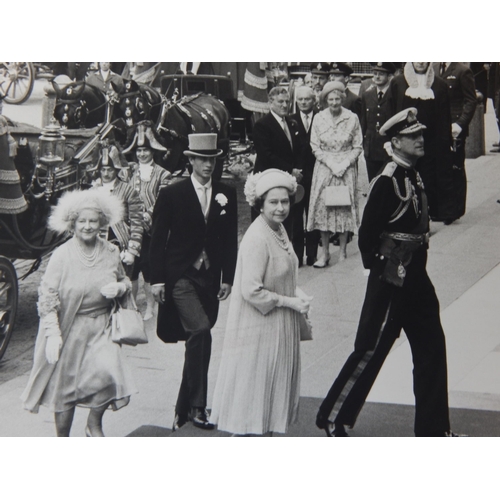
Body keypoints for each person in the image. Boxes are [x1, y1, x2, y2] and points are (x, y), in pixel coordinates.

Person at [316, 108, 464, 437]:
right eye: (414, 137)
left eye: (421, 135)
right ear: (396, 141)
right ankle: (333, 416)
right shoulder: (388, 180)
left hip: (417, 280)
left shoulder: (413, 174)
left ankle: (434, 430)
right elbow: (367, 237)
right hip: (392, 279)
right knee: (370, 348)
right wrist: (386, 269)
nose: (420, 140)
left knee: (432, 349)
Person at [21, 190, 136, 437]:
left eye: (93, 221)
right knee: (66, 390)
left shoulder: (111, 252)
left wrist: (120, 287)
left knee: (110, 371)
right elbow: (48, 295)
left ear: (102, 223)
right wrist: (52, 333)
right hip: (70, 328)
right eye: (82, 221)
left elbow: (125, 280)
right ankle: (63, 439)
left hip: (102, 327)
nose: (87, 226)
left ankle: (93, 424)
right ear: (72, 223)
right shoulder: (62, 255)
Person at [210, 169, 311, 436]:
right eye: (273, 202)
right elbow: (251, 291)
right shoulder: (257, 237)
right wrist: (289, 302)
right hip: (261, 327)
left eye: (285, 201)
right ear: (260, 204)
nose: (281, 208)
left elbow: (283, 272)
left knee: (270, 393)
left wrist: (296, 293)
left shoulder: (277, 229)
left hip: (279, 324)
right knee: (257, 393)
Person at [149, 133, 238, 431]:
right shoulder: (172, 194)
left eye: (212, 159)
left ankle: (181, 411)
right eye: (201, 159)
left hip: (210, 279)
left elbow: (228, 241)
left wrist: (228, 277)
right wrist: (156, 280)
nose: (207, 165)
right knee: (200, 331)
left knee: (197, 339)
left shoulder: (227, 193)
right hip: (181, 276)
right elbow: (157, 239)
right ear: (190, 160)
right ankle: (198, 408)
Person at [386, 62, 453, 223]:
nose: (421, 62)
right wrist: (390, 142)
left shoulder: (440, 85)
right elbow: (390, 112)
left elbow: (445, 118)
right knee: (403, 180)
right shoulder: (398, 83)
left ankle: (424, 217)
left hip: (430, 145)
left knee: (427, 182)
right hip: (404, 144)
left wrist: (444, 145)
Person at [307, 81, 363, 266]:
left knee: (343, 207)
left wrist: (345, 163)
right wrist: (330, 162)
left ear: (343, 99)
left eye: (337, 98)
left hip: (346, 168)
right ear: (325, 100)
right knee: (324, 208)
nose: (334, 103)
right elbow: (315, 146)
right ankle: (325, 253)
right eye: (330, 99)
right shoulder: (318, 118)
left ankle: (343, 252)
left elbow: (357, 146)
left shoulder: (352, 118)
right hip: (324, 167)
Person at [123, 122, 172, 320]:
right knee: (130, 269)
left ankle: (151, 307)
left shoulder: (163, 174)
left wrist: (149, 214)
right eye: (139, 150)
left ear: (153, 151)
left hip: (151, 229)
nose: (142, 154)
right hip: (131, 228)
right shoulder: (128, 172)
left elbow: (162, 199)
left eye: (146, 150)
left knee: (149, 269)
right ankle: (131, 307)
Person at [252, 86, 302, 250]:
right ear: (270, 102)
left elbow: (296, 150)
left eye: (287, 101)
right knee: (268, 218)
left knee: (285, 219)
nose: (285, 105)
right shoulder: (262, 125)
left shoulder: (291, 123)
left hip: (287, 182)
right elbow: (266, 154)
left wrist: (297, 169)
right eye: (280, 101)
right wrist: (290, 170)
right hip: (268, 180)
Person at [432, 62, 477, 223]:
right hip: (438, 126)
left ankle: (455, 209)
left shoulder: (462, 71)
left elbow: (471, 101)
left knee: (455, 168)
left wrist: (461, 124)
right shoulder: (434, 68)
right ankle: (441, 208)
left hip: (454, 128)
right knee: (439, 168)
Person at [92, 141, 144, 277]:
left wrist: (132, 251)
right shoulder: (92, 191)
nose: (106, 173)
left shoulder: (128, 190)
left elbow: (137, 223)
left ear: (116, 169)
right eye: (103, 170)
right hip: (96, 249)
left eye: (109, 169)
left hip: (121, 247)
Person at [290, 85, 320, 265]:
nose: (303, 102)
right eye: (300, 99)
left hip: (316, 174)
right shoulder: (290, 120)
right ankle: (297, 255)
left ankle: (312, 254)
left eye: (307, 99)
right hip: (297, 176)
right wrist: (293, 170)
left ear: (314, 101)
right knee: (296, 216)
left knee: (314, 215)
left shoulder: (321, 118)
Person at [360, 63, 397, 181]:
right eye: (375, 74)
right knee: (372, 181)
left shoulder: (395, 95)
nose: (377, 77)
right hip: (371, 148)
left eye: (381, 74)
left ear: (390, 76)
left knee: (387, 182)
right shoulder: (367, 95)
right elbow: (363, 122)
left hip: (389, 147)